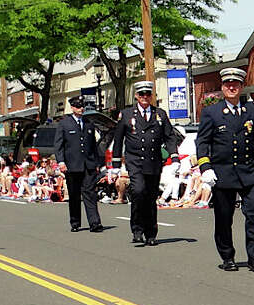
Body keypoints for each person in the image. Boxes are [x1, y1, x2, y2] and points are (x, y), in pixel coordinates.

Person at [196, 67, 254, 272]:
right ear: (222, 87)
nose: (231, 87)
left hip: (248, 171)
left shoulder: (251, 109)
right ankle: (228, 256)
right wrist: (205, 167)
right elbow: (202, 142)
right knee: (224, 217)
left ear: (241, 87)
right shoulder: (212, 112)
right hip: (223, 173)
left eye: (235, 84)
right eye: (228, 84)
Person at [110, 80, 180, 245]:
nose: (145, 97)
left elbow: (169, 137)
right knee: (139, 191)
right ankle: (137, 228)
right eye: (141, 94)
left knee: (150, 197)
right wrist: (114, 166)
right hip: (135, 161)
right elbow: (118, 139)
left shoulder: (160, 114)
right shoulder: (127, 114)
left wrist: (174, 157)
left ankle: (151, 233)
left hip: (154, 161)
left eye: (148, 94)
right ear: (136, 96)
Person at [55, 95, 105, 232]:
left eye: (82, 106)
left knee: (90, 193)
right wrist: (61, 162)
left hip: (88, 165)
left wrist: (97, 162)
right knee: (74, 194)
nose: (81, 109)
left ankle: (95, 222)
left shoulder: (88, 123)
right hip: (72, 165)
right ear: (72, 107)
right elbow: (59, 145)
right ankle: (75, 222)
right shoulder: (64, 124)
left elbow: (93, 145)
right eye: (78, 106)